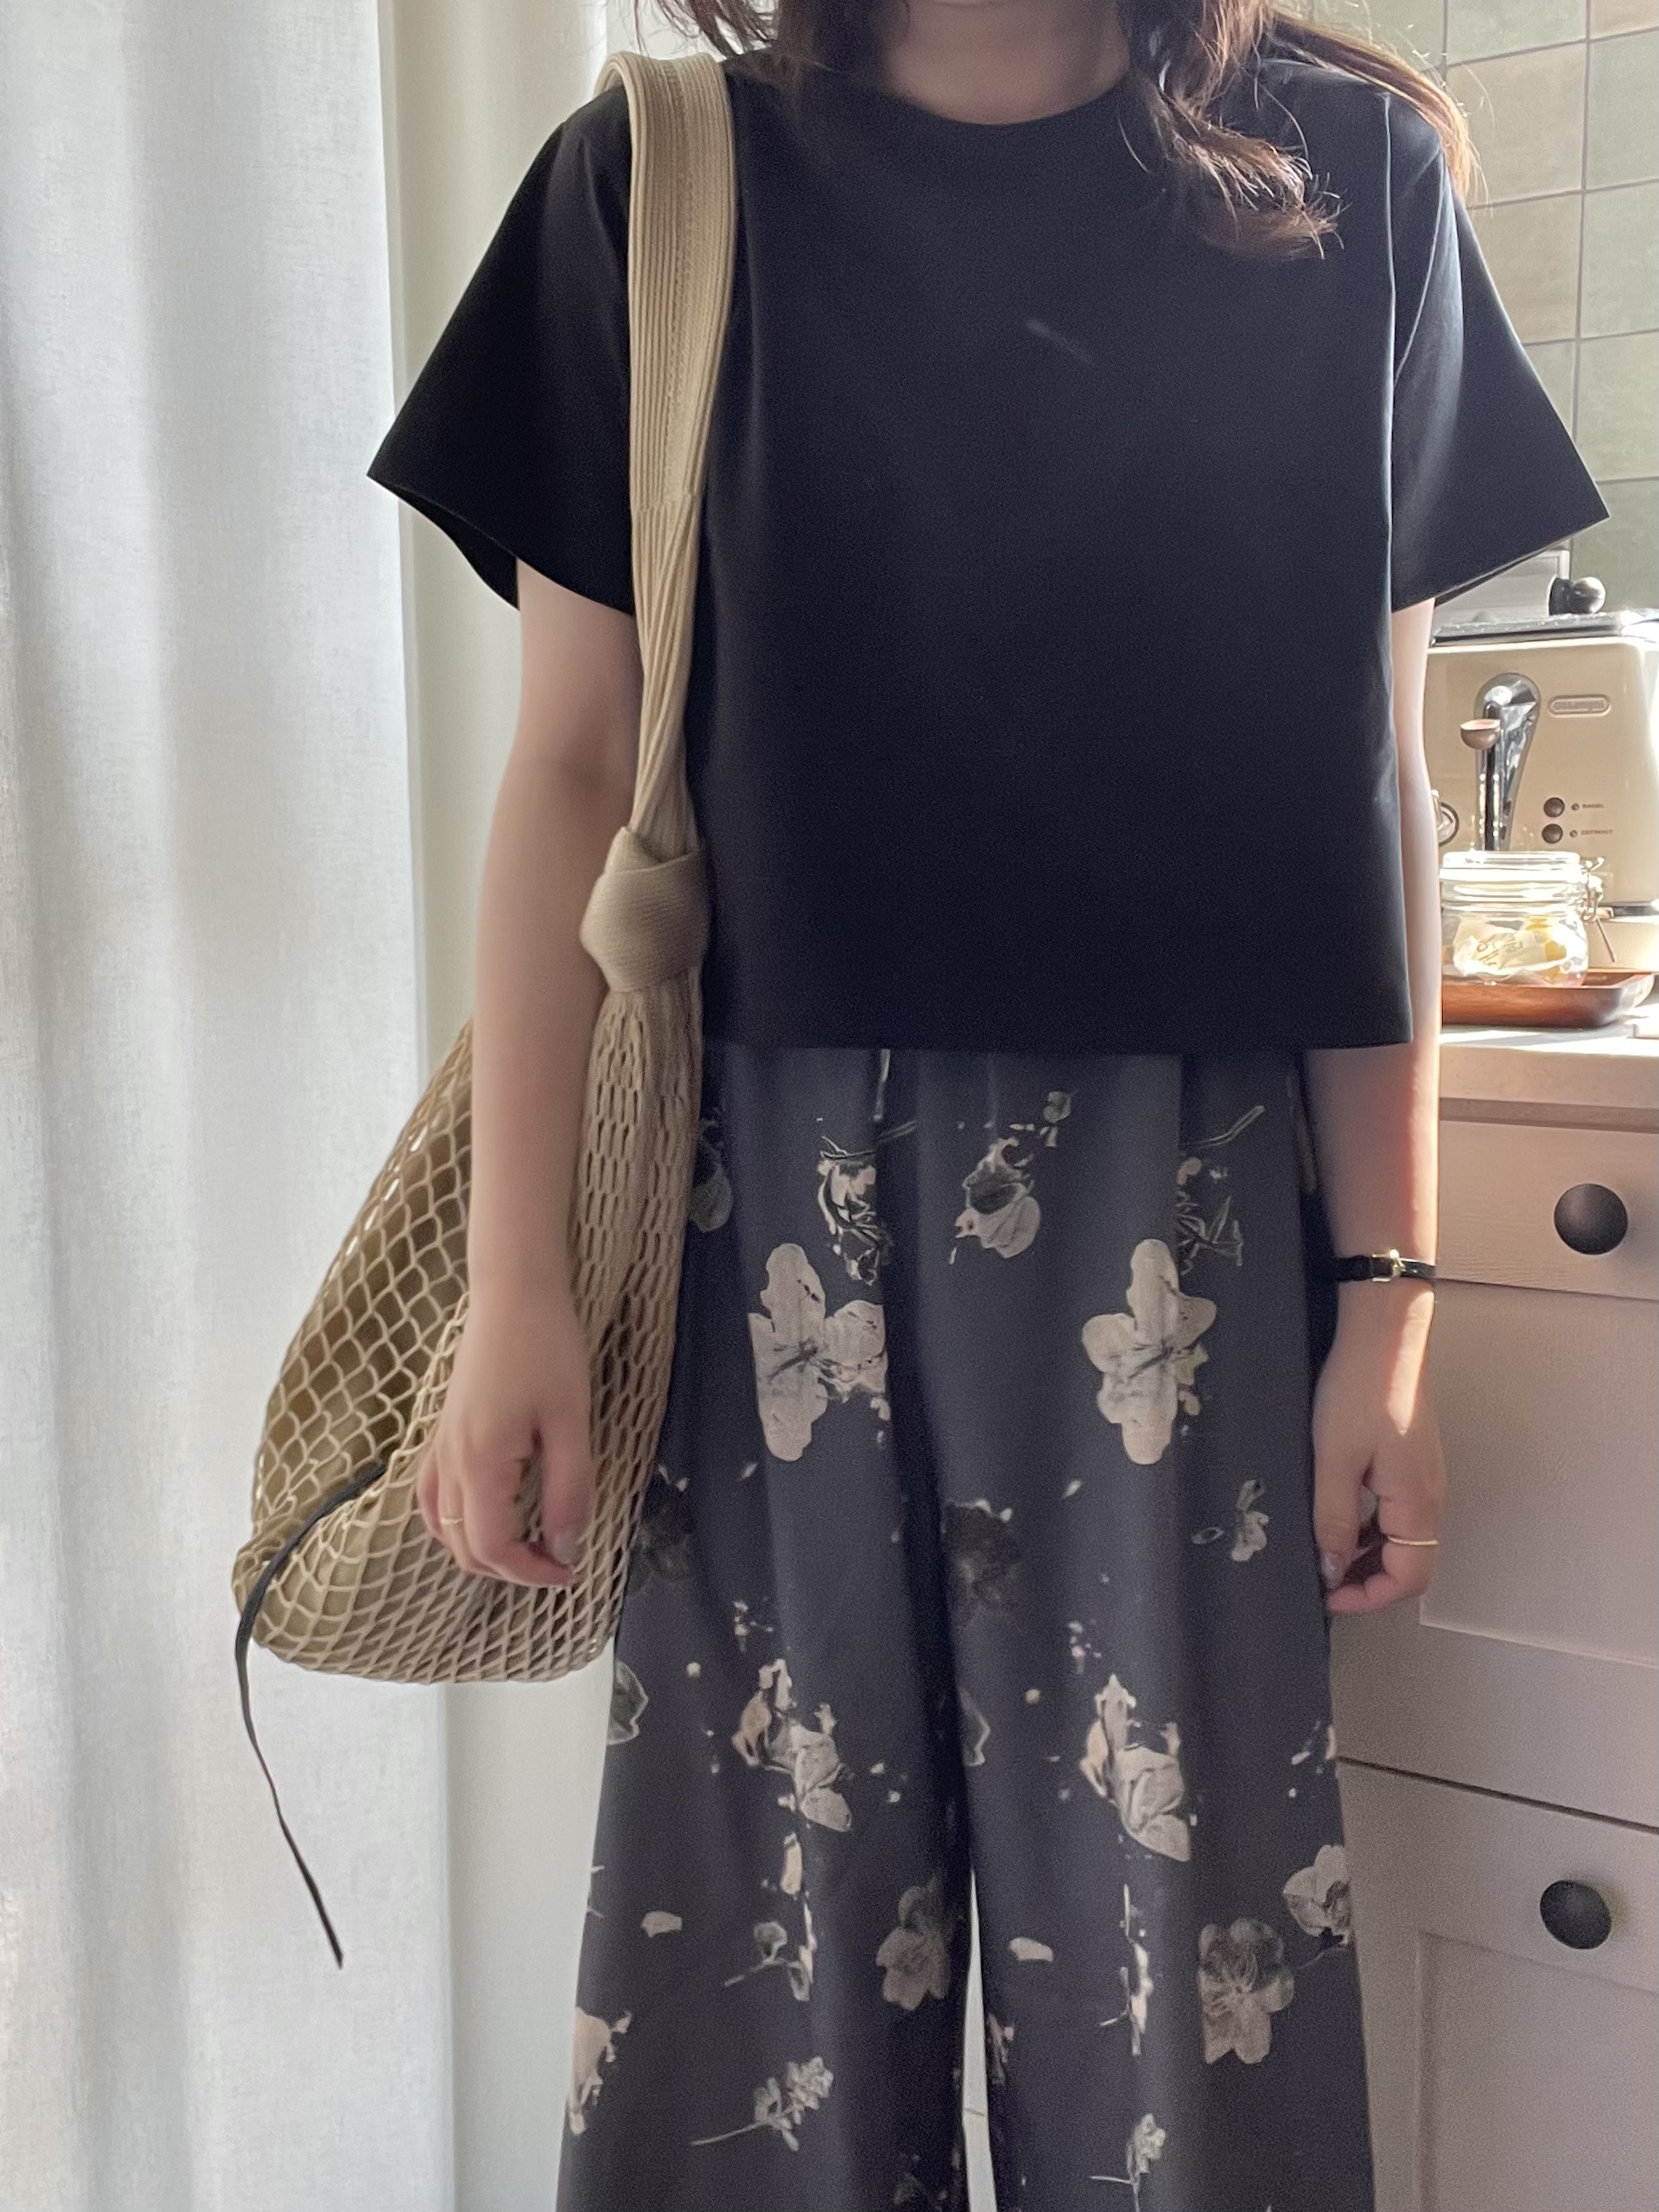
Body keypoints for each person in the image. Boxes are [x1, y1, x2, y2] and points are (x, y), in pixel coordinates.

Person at [365, 0, 1607, 2202]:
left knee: (1186, 2014)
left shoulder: (1348, 184)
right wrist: (515, 1287)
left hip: (1185, 1219)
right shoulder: (653, 184)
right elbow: (569, 765)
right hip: (751, 1213)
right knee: (751, 2019)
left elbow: (1374, 794)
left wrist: (1388, 1304)